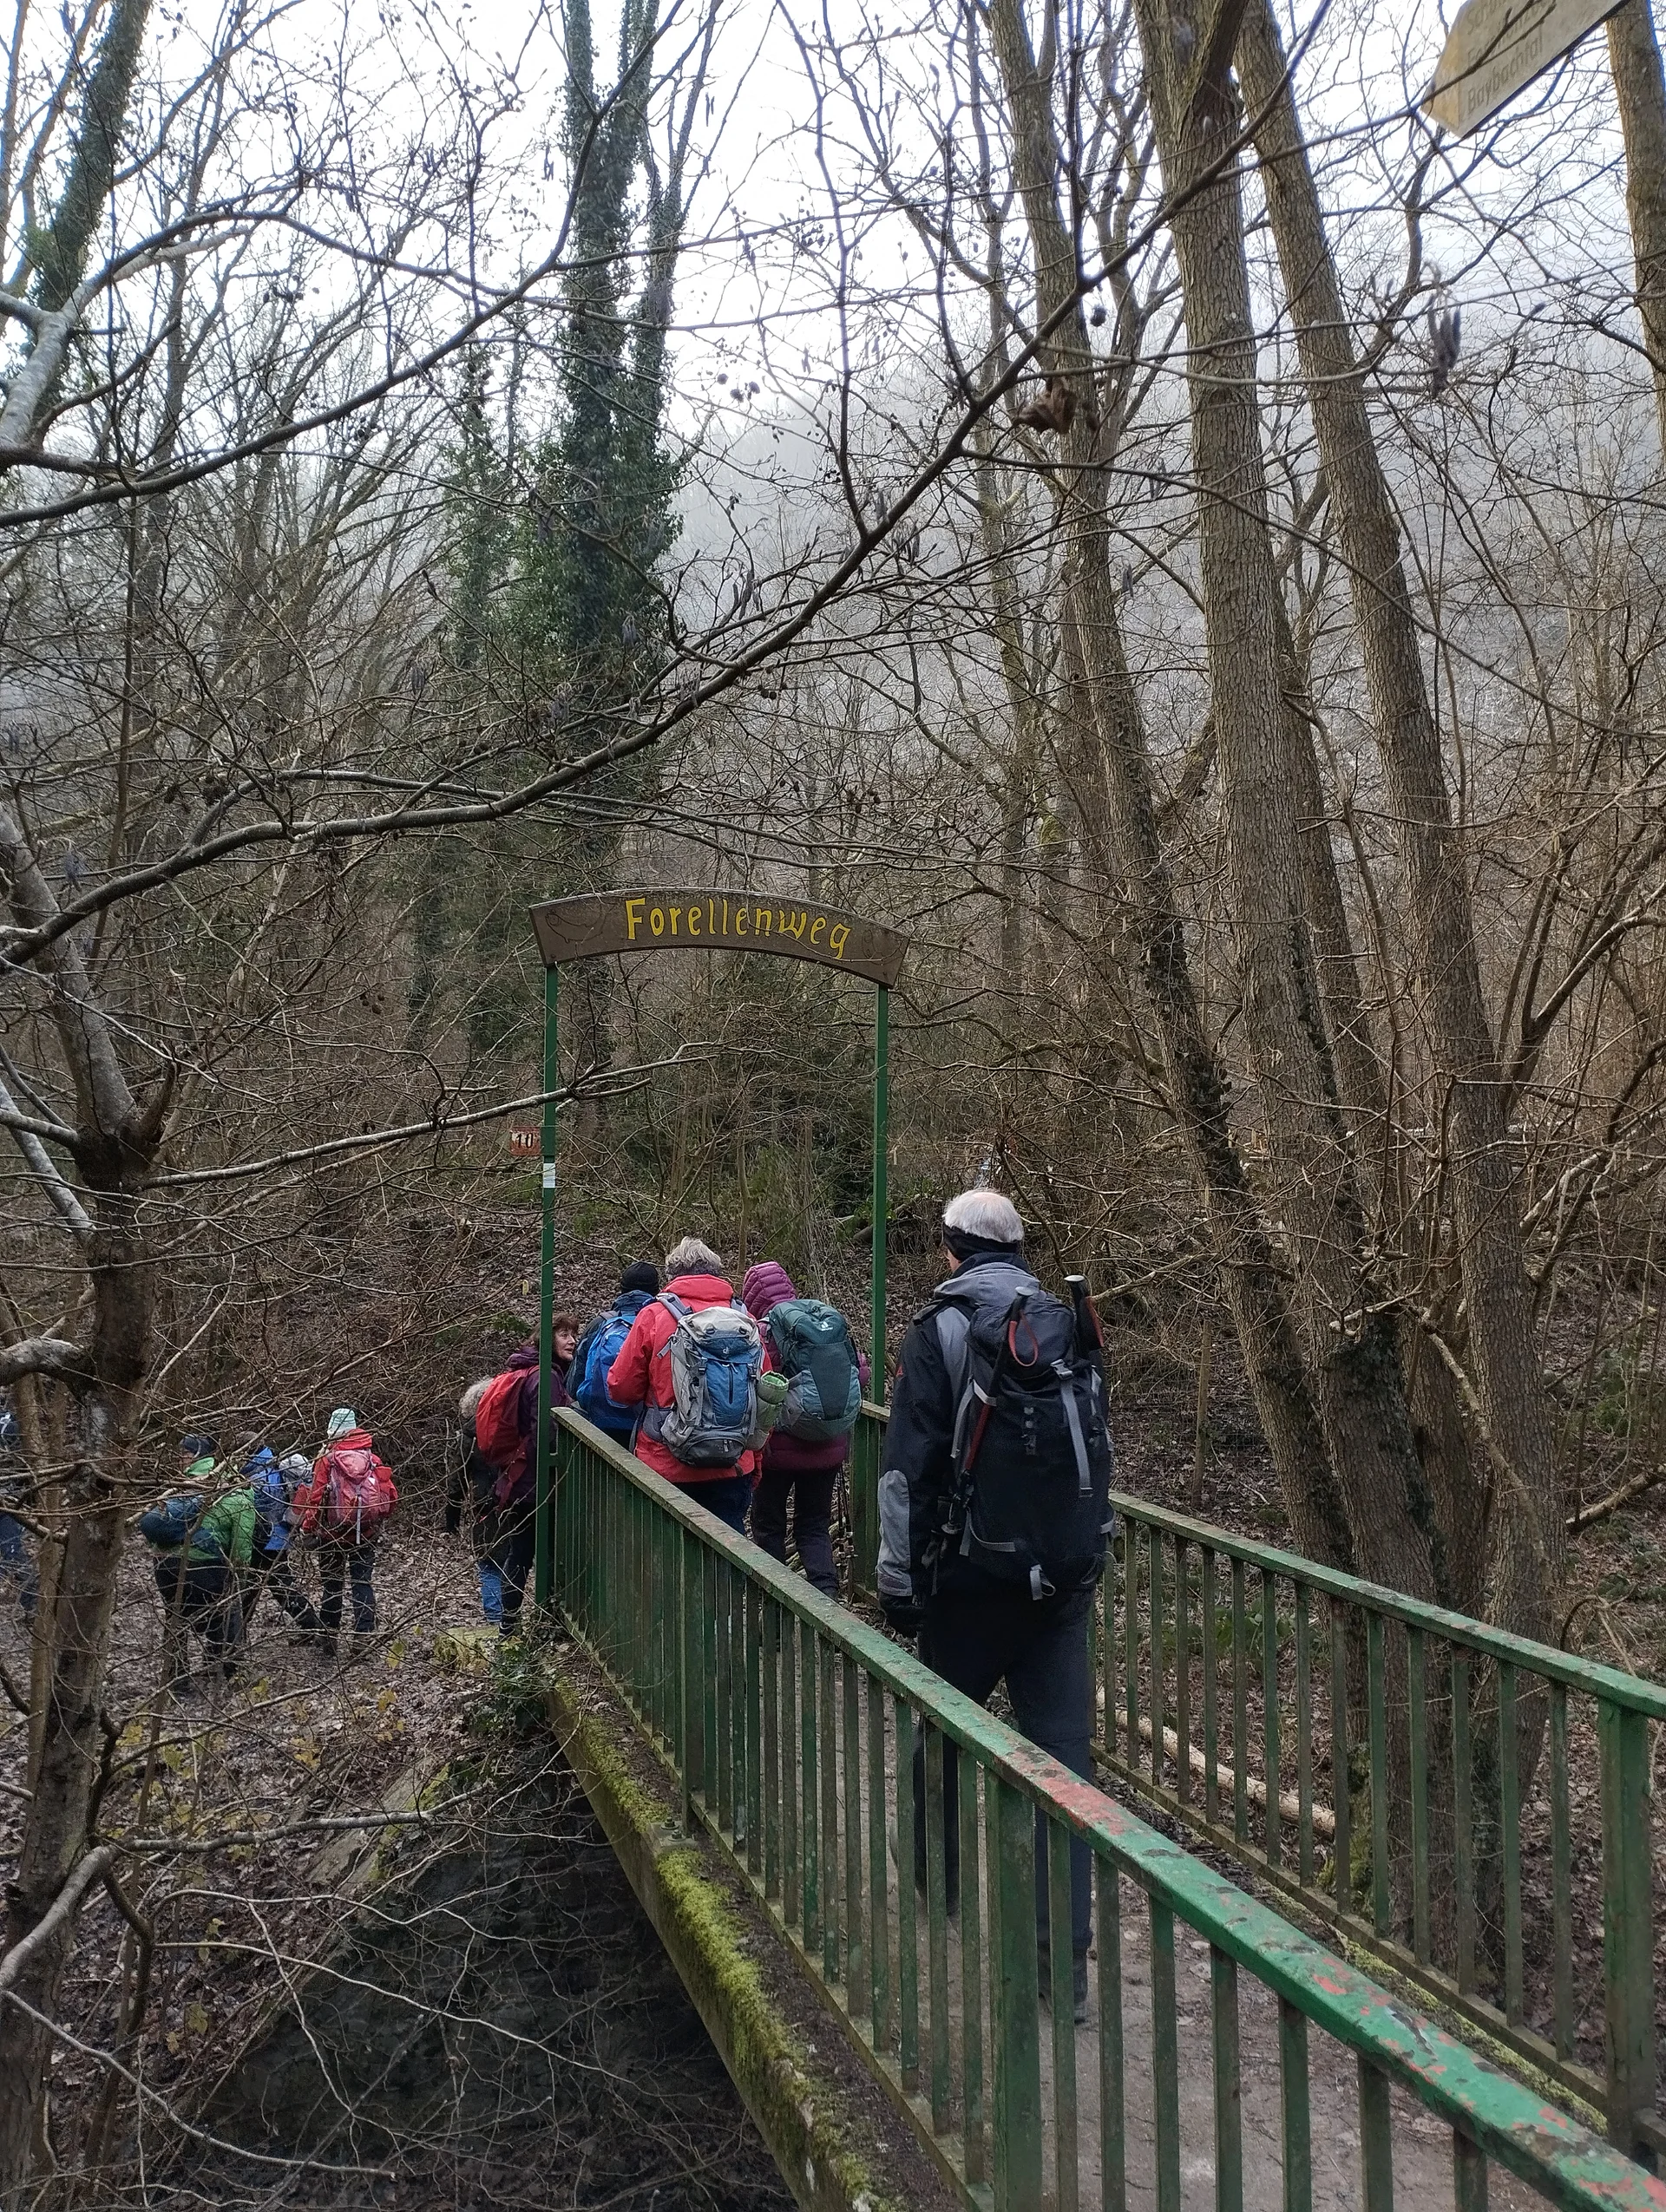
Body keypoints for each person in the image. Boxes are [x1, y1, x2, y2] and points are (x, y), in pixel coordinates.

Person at [876, 1189, 1113, 2022]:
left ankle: (936, 1893)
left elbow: (906, 1472)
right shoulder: (1066, 1323)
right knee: (1065, 1773)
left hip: (970, 1585)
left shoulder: (938, 1329)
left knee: (938, 1739)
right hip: (1063, 1586)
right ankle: (1064, 1972)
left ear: (951, 1250)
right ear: (1017, 1250)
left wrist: (899, 1582)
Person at [606, 1238, 762, 1535]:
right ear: (716, 1272)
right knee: (727, 1552)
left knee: (663, 1550)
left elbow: (621, 1388)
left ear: (672, 1275)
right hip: (732, 1461)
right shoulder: (745, 1319)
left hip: (666, 1461)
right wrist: (755, 1456)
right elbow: (765, 1396)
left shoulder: (654, 1315)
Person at [740, 1261, 866, 1599]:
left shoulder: (761, 1333)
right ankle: (828, 1600)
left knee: (769, 1526)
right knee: (814, 1526)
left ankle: (775, 1604)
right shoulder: (821, 1324)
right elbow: (861, 1373)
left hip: (777, 1452)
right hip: (827, 1447)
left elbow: (752, 1382)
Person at [462, 1315, 580, 1629]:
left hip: (517, 1480)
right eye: (563, 1335)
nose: (572, 1341)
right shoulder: (546, 1376)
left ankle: (509, 1625)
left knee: (521, 1554)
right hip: (536, 1482)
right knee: (543, 1554)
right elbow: (546, 1433)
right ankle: (544, 1622)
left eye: (573, 1334)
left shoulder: (525, 1370)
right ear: (548, 1340)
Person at [145, 1436, 255, 1693]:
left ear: (195, 1458)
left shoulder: (179, 1486)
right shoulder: (237, 1492)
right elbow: (241, 1544)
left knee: (175, 1619)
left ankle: (176, 1681)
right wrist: (240, 1578)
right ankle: (233, 1675)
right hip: (206, 1566)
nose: (179, 1459)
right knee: (225, 1614)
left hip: (165, 1564)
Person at [296, 1410, 398, 1652]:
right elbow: (390, 1495)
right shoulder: (372, 1459)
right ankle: (363, 1635)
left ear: (332, 1432)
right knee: (362, 1582)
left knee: (332, 1585)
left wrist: (308, 1528)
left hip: (331, 1535)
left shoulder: (327, 1460)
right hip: (365, 1534)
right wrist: (377, 1521)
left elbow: (316, 1499)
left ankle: (328, 1637)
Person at [241, 1446, 325, 1643]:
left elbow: (262, 1510)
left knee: (262, 1586)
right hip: (277, 1536)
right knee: (269, 1585)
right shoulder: (270, 1466)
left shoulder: (260, 1476)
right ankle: (312, 1626)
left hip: (266, 1538)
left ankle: (235, 1635)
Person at [568, 1262, 660, 1439]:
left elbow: (574, 1384)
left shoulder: (600, 1324)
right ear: (656, 1291)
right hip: (649, 1429)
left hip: (601, 1427)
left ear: (621, 1289)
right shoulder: (663, 1324)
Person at [0, 1396, 38, 1626]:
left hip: (6, 1502)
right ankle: (33, 1606)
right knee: (12, 1554)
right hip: (9, 1499)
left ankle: (34, 1605)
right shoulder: (12, 1423)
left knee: (13, 1555)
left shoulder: (10, 1425)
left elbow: (25, 1463)